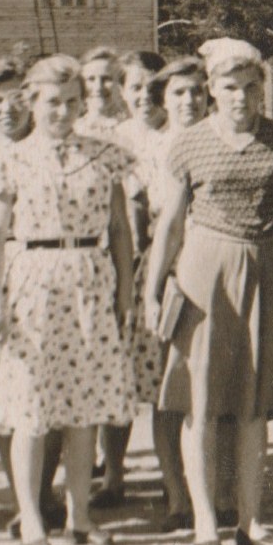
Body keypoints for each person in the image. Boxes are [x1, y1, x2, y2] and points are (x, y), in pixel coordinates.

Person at [0, 56, 137, 545]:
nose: (63, 111)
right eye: (52, 101)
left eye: (72, 101)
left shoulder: (105, 155)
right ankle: (32, 520)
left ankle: (80, 517)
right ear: (32, 103)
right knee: (31, 405)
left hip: (90, 279)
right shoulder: (8, 160)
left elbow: (121, 230)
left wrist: (124, 293)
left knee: (85, 407)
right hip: (34, 281)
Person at [143, 38, 273, 545]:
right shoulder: (189, 142)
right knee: (202, 399)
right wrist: (153, 290)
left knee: (253, 404)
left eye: (250, 87)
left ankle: (252, 518)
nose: (240, 97)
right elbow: (171, 223)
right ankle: (204, 522)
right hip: (205, 270)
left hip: (270, 268)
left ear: (263, 90)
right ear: (213, 91)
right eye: (229, 87)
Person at [0, 58, 67, 538]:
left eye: (14, 97)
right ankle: (20, 495)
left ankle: (41, 491)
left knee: (41, 385)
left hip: (37, 273)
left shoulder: (50, 147)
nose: (6, 108)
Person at [94, 49, 168, 509]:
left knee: (163, 371)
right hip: (117, 260)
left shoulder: (177, 133)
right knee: (115, 369)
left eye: (152, 86)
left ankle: (170, 473)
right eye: (135, 87)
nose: (144, 96)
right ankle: (114, 473)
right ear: (123, 92)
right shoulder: (110, 139)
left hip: (165, 256)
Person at [147, 56, 213, 529]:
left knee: (212, 381)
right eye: (177, 93)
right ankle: (175, 490)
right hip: (166, 266)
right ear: (163, 100)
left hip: (213, 264)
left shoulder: (216, 139)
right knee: (166, 383)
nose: (188, 101)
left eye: (195, 91)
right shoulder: (150, 147)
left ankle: (214, 486)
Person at [76, 48, 128, 140]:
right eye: (91, 79)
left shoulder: (131, 126)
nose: (98, 87)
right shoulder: (75, 129)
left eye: (106, 79)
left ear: (121, 83)